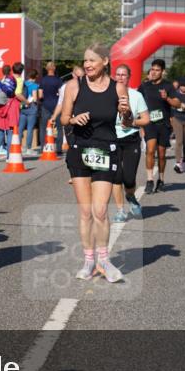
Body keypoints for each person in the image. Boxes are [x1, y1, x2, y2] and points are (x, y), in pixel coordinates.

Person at [60, 43, 131, 282]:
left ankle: (104, 260)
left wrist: (126, 111)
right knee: (85, 211)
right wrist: (73, 119)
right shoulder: (74, 86)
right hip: (80, 151)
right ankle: (88, 261)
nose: (87, 65)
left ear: (105, 61)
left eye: (92, 60)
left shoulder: (118, 87)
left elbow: (127, 121)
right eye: (85, 61)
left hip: (106, 150)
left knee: (100, 211)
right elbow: (63, 118)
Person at [111, 64, 150, 222]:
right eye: (118, 75)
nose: (120, 77)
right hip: (112, 138)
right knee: (116, 177)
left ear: (129, 77)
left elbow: (146, 119)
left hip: (131, 139)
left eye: (123, 75)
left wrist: (133, 123)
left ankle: (131, 196)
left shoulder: (136, 96)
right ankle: (120, 211)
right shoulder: (109, 95)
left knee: (128, 178)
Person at [139, 58, 181, 193]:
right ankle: (150, 180)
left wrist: (167, 98)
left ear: (163, 71)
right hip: (149, 123)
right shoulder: (145, 86)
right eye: (153, 69)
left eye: (157, 70)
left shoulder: (168, 86)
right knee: (150, 150)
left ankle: (161, 180)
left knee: (161, 154)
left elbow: (178, 103)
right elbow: (136, 101)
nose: (154, 72)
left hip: (163, 124)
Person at [49, 66, 84, 153]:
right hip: (71, 122)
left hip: (85, 121)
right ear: (73, 75)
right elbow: (60, 103)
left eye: (82, 76)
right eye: (77, 76)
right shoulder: (66, 87)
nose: (79, 79)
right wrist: (54, 117)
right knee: (74, 149)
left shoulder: (89, 85)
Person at [0, 64, 19, 162]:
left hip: (1, 106)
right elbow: (14, 93)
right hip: (11, 105)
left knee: (1, 131)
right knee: (10, 131)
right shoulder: (12, 79)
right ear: (10, 71)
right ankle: (9, 156)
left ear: (2, 71)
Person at [39, 61, 64, 153]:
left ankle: (43, 147)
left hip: (45, 105)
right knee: (59, 127)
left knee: (43, 127)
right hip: (56, 105)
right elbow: (61, 94)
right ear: (54, 68)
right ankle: (59, 149)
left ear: (46, 68)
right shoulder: (58, 80)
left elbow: (40, 95)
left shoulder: (43, 80)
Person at [20, 70, 40, 154]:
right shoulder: (35, 85)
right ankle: (28, 148)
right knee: (30, 129)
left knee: (20, 128)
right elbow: (35, 99)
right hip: (31, 109)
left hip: (23, 108)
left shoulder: (24, 83)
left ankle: (18, 147)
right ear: (35, 77)